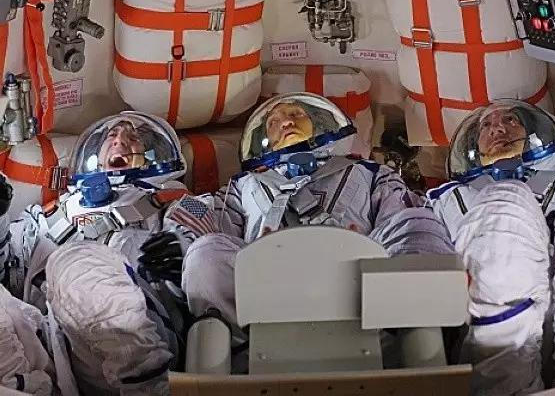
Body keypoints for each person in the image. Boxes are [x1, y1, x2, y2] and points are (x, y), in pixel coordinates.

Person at [140, 92, 455, 327]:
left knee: (417, 220)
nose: (286, 122)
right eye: (274, 122)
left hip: (360, 284)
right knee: (206, 251)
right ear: (267, 139)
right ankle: (232, 347)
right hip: (262, 287)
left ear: (317, 125)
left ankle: (413, 330)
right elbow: (202, 213)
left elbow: (401, 220)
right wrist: (180, 239)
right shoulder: (245, 185)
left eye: (295, 114)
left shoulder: (368, 172)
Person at [0, 111, 206, 395]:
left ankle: (149, 387)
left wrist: (181, 252)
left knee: (77, 262)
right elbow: (6, 273)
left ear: (153, 155)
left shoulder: (178, 202)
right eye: (111, 136)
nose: (119, 141)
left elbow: (206, 251)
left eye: (133, 137)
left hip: (141, 342)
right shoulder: (48, 216)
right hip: (51, 352)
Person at [428, 99, 555, 394]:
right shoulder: (448, 199)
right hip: (490, 341)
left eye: (510, 120)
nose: (497, 129)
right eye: (486, 126)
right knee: (504, 200)